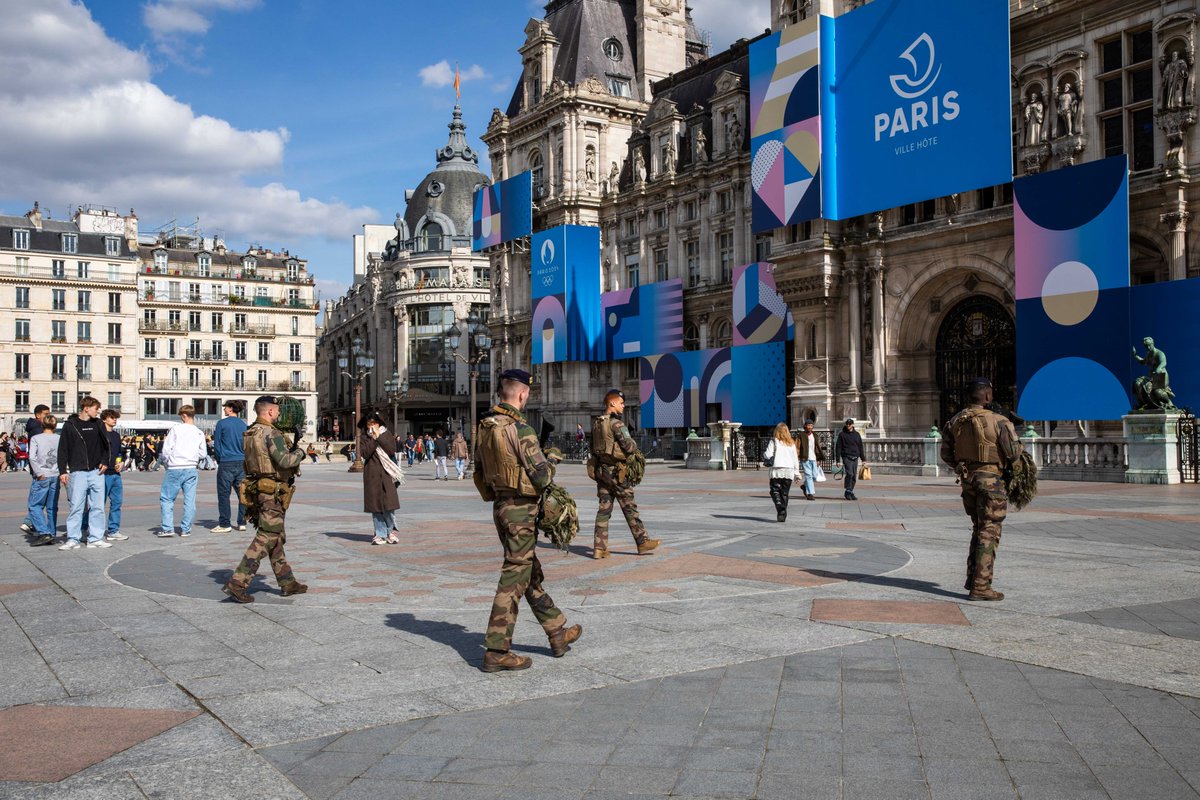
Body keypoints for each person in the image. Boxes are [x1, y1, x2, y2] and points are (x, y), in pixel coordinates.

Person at [473, 369, 581, 672]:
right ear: (523, 394)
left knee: (528, 572)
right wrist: (554, 457)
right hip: (521, 511)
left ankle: (557, 632)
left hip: (501, 507)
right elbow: (542, 476)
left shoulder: (485, 426)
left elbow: (479, 471)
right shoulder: (521, 430)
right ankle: (496, 649)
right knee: (513, 576)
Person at [941, 378, 1022, 602]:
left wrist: (964, 465)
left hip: (969, 480)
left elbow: (946, 454)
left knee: (978, 528)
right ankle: (981, 586)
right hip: (991, 481)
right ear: (987, 396)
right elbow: (1013, 453)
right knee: (989, 531)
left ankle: (972, 579)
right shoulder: (999, 420)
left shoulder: (955, 420)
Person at [223, 396, 308, 603]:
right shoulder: (272, 433)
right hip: (273, 491)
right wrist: (300, 452)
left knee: (275, 536)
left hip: (259, 488)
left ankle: (287, 582)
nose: (279, 414)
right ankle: (238, 581)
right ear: (270, 412)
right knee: (267, 536)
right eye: (277, 410)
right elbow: (284, 460)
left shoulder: (251, 432)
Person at [590, 388, 660, 559]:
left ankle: (599, 548)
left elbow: (593, 448)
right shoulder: (616, 424)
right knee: (629, 507)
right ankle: (642, 542)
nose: (623, 406)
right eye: (621, 403)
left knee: (604, 510)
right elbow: (629, 447)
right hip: (617, 473)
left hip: (602, 473)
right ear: (612, 403)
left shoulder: (597, 423)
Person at [57, 397, 111, 550]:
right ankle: (73, 538)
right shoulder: (70, 425)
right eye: (96, 408)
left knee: (98, 507)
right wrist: (63, 471)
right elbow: (63, 449)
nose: (98, 411)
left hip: (97, 472)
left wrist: (105, 461)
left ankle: (95, 538)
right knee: (76, 506)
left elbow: (107, 445)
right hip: (77, 472)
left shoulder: (99, 424)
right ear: (86, 408)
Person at [157, 406, 207, 538]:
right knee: (189, 500)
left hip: (175, 467)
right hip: (191, 468)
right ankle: (186, 529)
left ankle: (168, 528)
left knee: (167, 498)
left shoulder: (176, 429)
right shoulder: (199, 432)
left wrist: (167, 461)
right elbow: (203, 453)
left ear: (184, 415)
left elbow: (166, 449)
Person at [359, 412, 400, 545]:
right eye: (369, 424)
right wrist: (374, 439)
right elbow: (365, 453)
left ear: (379, 423)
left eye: (374, 423)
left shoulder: (387, 434)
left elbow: (391, 450)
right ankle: (380, 534)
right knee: (376, 506)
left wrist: (379, 437)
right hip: (372, 475)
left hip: (387, 474)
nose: (372, 426)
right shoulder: (365, 437)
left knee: (389, 505)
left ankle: (390, 532)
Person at [211, 400, 248, 534]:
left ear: (231, 408)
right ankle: (242, 521)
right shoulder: (244, 425)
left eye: (226, 407)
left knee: (224, 494)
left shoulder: (222, 423)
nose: (224, 409)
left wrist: (220, 460)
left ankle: (225, 523)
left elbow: (218, 445)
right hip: (242, 462)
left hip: (226, 461)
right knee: (243, 494)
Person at [27, 415, 61, 546]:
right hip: (55, 473)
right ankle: (51, 532)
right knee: (52, 507)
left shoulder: (36, 438)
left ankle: (44, 532)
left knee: (35, 505)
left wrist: (38, 472)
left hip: (42, 474)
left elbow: (32, 457)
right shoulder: (59, 438)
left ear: (42, 425)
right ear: (55, 425)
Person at [19, 405, 51, 533]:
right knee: (39, 498)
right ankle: (29, 522)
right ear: (38, 415)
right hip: (41, 469)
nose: (47, 416)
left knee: (39, 496)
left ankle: (31, 523)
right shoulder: (38, 429)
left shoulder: (34, 427)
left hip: (39, 469)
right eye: (45, 414)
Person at [99, 409, 128, 541]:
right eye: (112, 417)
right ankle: (89, 529)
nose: (114, 420)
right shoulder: (99, 434)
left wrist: (121, 462)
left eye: (115, 417)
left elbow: (120, 452)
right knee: (98, 504)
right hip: (102, 473)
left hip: (116, 473)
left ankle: (113, 530)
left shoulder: (116, 436)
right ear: (104, 419)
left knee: (117, 502)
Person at [763, 423, 800, 522]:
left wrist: (765, 455)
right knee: (784, 493)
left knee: (774, 490)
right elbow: (795, 459)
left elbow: (767, 455)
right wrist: (797, 474)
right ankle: (782, 513)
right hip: (789, 471)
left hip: (776, 470)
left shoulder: (774, 441)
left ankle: (780, 507)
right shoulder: (791, 443)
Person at [834, 419, 865, 501]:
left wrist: (863, 459)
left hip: (855, 457)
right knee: (850, 473)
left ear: (853, 425)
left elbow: (860, 447)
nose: (848, 425)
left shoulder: (857, 434)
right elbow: (838, 448)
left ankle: (850, 491)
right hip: (846, 457)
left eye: (850, 424)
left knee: (854, 476)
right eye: (847, 424)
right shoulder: (842, 434)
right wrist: (837, 460)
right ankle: (848, 490)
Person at [796, 419, 825, 500]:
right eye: (808, 425)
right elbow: (797, 447)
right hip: (804, 458)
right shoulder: (801, 435)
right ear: (805, 426)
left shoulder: (815, 435)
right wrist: (797, 457)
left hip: (813, 458)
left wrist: (818, 458)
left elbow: (817, 448)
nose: (809, 427)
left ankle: (805, 486)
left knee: (815, 476)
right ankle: (810, 494)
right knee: (808, 475)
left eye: (811, 425)